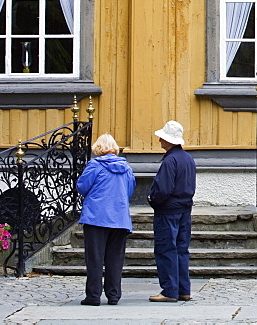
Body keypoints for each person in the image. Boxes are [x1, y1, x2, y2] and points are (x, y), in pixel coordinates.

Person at [75, 133, 135, 306]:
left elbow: (82, 186)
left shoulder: (95, 165)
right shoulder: (127, 168)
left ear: (98, 148)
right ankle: (113, 295)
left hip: (96, 217)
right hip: (120, 218)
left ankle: (93, 296)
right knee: (115, 259)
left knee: (95, 258)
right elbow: (129, 191)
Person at [147, 120, 196, 303]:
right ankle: (184, 289)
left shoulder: (170, 160)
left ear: (168, 140)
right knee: (181, 250)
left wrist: (152, 199)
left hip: (168, 211)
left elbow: (163, 190)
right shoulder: (188, 159)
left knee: (166, 249)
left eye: (162, 137)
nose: (159, 140)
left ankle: (169, 290)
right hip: (184, 209)